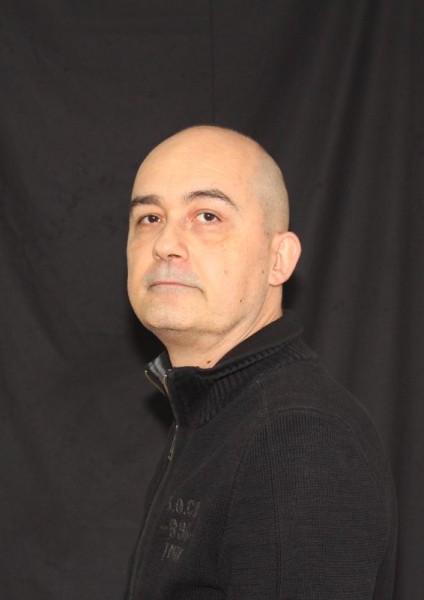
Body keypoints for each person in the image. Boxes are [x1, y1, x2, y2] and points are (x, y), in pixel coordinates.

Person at [125, 125, 397, 599]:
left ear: (279, 259)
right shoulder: (211, 413)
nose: (165, 243)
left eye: (207, 216)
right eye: (149, 217)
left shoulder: (295, 437)